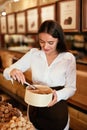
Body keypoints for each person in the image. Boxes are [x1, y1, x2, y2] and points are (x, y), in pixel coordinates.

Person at [3, 20, 76, 130]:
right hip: (35, 109)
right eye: (42, 41)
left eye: (50, 42)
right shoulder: (34, 54)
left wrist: (58, 95)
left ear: (59, 40)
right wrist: (12, 71)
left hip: (57, 109)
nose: (45, 46)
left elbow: (71, 88)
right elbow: (6, 72)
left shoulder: (68, 58)